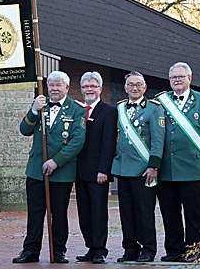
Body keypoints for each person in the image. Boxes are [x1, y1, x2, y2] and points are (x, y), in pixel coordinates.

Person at [12, 71, 86, 264]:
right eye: (51, 85)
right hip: (36, 170)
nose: (54, 88)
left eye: (58, 85)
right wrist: (34, 110)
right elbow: (24, 130)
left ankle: (58, 250)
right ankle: (30, 251)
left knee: (59, 214)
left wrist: (56, 161)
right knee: (35, 213)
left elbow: (77, 140)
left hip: (62, 172)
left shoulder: (77, 110)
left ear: (67, 87)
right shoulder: (40, 106)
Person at [156, 62, 200, 262]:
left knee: (196, 214)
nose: (177, 80)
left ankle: (194, 252)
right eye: (174, 77)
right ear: (169, 80)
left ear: (189, 78)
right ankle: (174, 250)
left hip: (194, 168)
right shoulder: (160, 102)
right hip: (167, 169)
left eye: (181, 77)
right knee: (170, 213)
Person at [111, 71, 165, 263]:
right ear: (125, 88)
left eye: (139, 84)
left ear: (145, 88)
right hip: (123, 169)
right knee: (126, 212)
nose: (135, 88)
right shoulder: (119, 109)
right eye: (131, 85)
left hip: (144, 171)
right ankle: (130, 248)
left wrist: (153, 166)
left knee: (144, 212)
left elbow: (158, 141)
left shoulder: (153, 108)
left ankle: (148, 249)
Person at [75, 71, 117, 264]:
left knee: (98, 212)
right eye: (85, 86)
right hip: (79, 171)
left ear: (100, 89)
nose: (89, 90)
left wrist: (104, 170)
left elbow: (109, 143)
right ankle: (90, 247)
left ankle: (100, 249)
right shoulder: (77, 111)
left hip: (98, 172)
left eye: (92, 86)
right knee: (84, 212)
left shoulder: (108, 111)